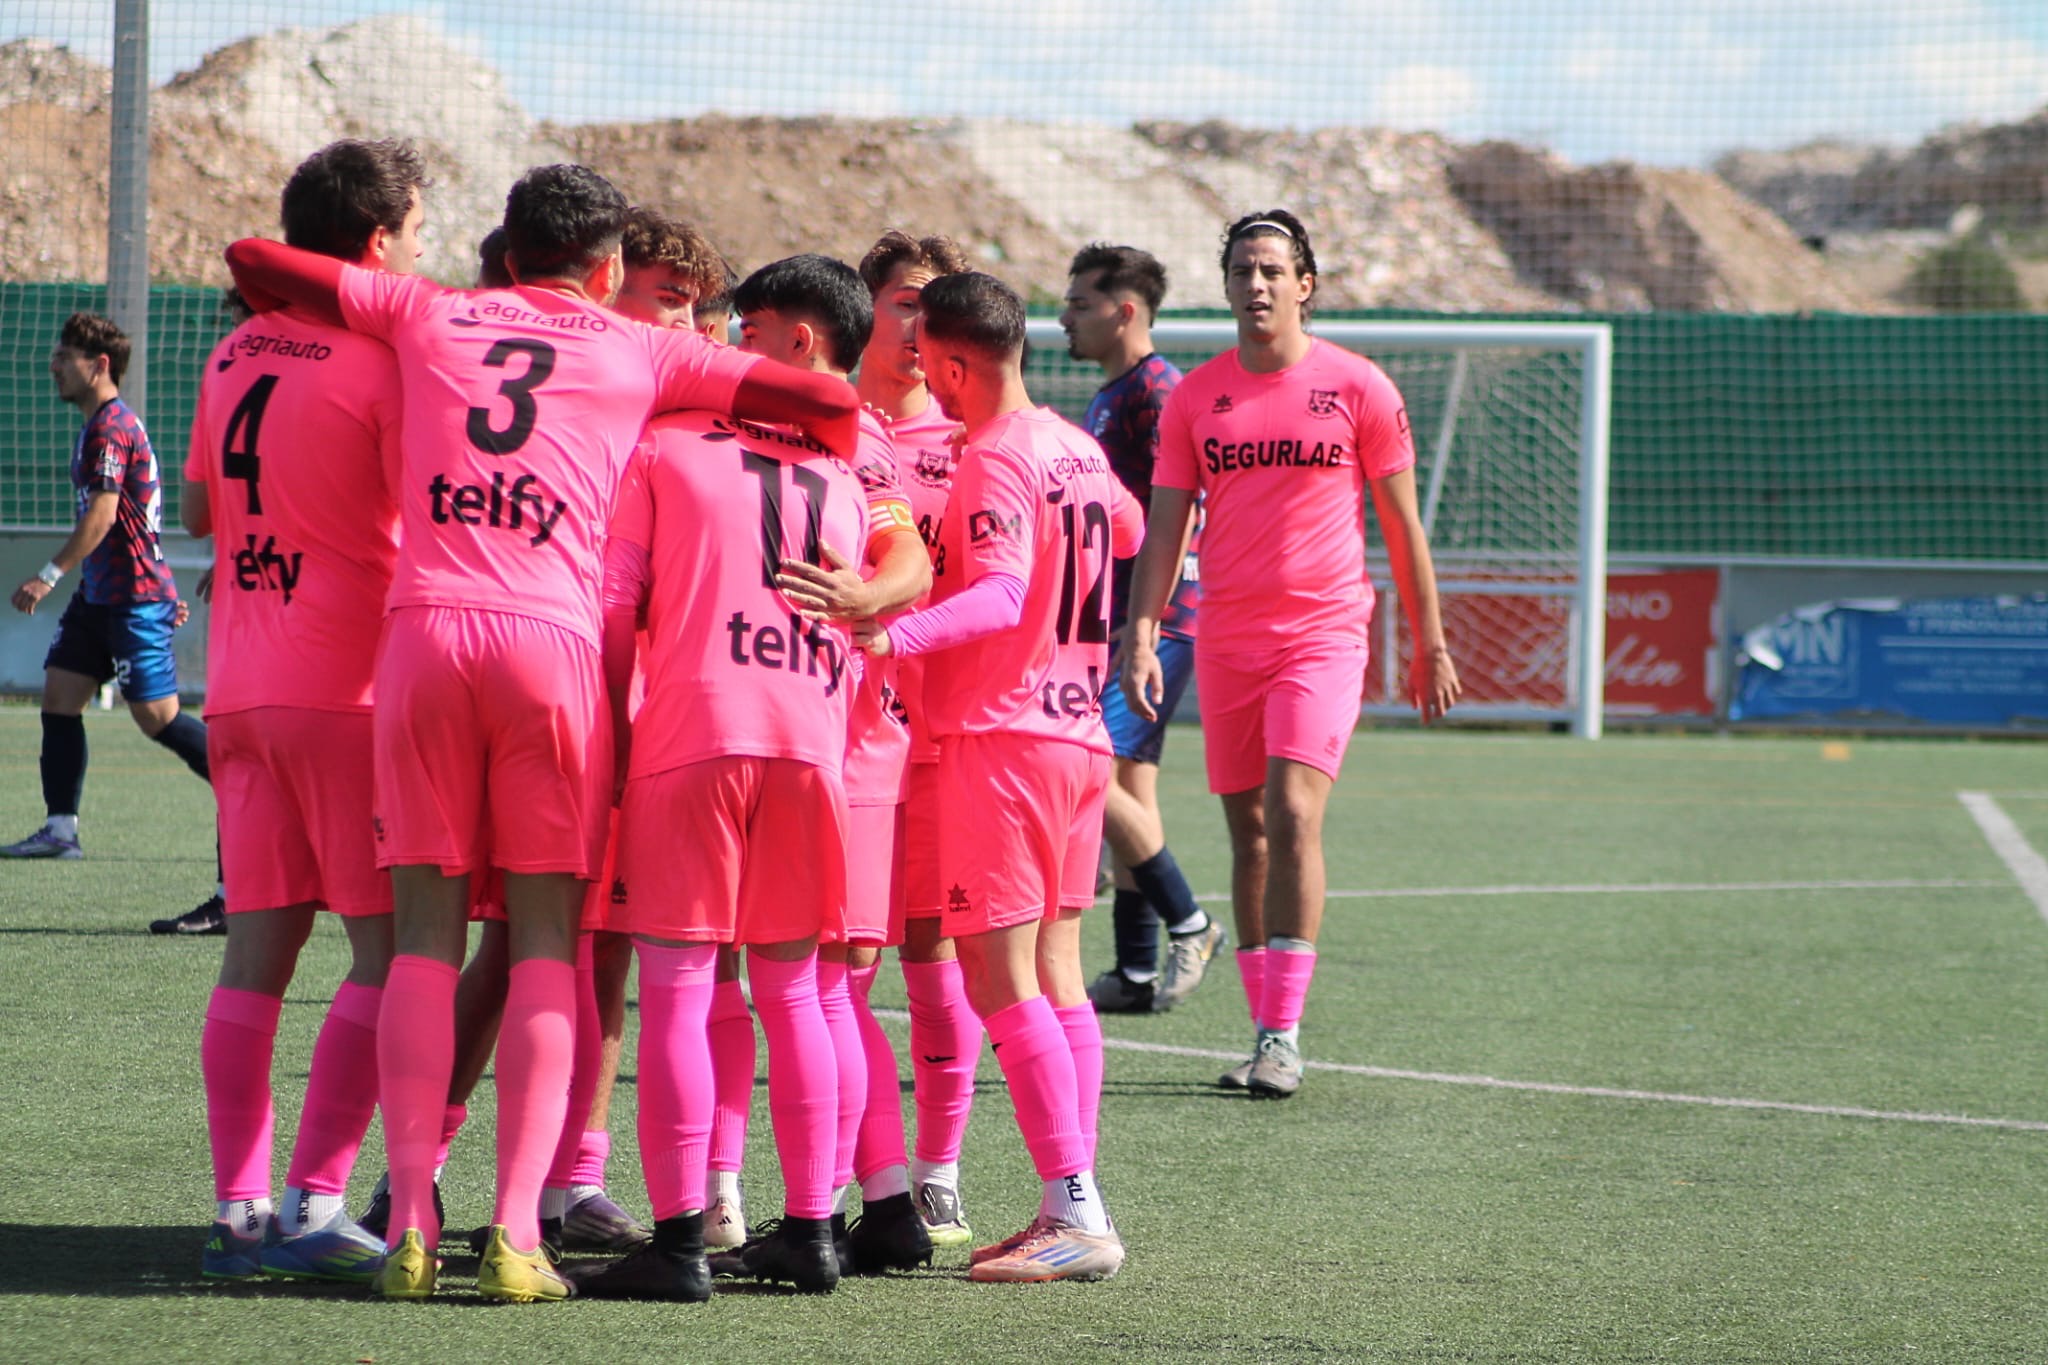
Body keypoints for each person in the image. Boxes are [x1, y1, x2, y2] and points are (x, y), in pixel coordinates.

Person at [223, 162, 861, 1304]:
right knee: (549, 945)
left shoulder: (429, 310)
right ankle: (519, 1231)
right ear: (608, 271)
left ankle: (409, 1223)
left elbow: (254, 261)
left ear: (508, 253)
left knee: (424, 942)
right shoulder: (645, 349)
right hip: (552, 650)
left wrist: (329, 305)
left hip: (422, 641)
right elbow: (825, 404)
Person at [569, 255, 888, 1301]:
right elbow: (887, 585)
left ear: (792, 341)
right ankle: (812, 1230)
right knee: (795, 993)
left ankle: (675, 1244)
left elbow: (614, 610)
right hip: (810, 742)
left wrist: (612, 739)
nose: (723, 345)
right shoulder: (844, 470)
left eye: (743, 331)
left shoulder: (665, 443)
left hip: (697, 732)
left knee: (675, 987)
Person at [1120, 210, 1462, 1100]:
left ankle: (1283, 1037)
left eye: (1273, 269)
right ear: (1227, 286)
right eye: (1243, 270)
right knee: (1250, 831)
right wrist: (1142, 631)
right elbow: (1165, 529)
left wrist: (1428, 641)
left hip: (1324, 634)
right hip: (1227, 639)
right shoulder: (1196, 398)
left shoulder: (1359, 386)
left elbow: (1403, 527)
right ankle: (1262, 1030)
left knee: (1294, 811)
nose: (1257, 284)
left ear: (1305, 285)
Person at [858, 271, 1140, 1283]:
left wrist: (889, 634)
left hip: (1003, 737)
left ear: (951, 363)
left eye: (928, 359)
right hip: (1078, 735)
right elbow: (1131, 530)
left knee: (997, 977)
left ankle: (1077, 1212)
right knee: (1057, 974)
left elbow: (1001, 595)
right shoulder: (1076, 445)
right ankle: (1069, 1200)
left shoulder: (994, 455)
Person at [185, 138, 420, 1284]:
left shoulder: (233, 349)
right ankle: (317, 1198)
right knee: (389, 954)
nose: (417, 256)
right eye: (413, 234)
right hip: (346, 690)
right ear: (376, 244)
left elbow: (198, 506)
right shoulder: (381, 356)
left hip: (238, 688)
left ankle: (238, 1211)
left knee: (255, 959)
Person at [741, 255, 932, 1276]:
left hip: (843, 742)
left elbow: (911, 563)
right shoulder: (844, 429)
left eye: (752, 327)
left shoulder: (857, 435)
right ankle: (886, 1201)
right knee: (831, 991)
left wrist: (867, 599)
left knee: (820, 989)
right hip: (836, 737)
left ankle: (816, 1213)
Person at [4, 311, 221, 934]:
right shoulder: (97, 425)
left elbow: (103, 516)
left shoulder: (111, 429)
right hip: (102, 597)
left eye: (65, 356)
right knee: (60, 695)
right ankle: (60, 829)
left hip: (131, 599)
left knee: (157, 718)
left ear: (99, 365)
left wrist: (49, 573)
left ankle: (242, 782)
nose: (53, 365)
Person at [851, 229, 982, 1248]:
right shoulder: (819, 425)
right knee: (839, 968)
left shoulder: (974, 443)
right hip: (841, 736)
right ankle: (874, 1181)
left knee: (935, 963)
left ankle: (938, 1175)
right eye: (902, 302)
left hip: (941, 741)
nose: (917, 325)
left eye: (933, 308)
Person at [1058, 242, 1221, 1014]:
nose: (1066, 318)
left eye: (1080, 304)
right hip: (1128, 621)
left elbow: (1180, 508)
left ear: (1125, 311)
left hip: (1157, 623)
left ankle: (1191, 921)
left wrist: (1144, 623)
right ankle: (1134, 969)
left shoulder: (1156, 391)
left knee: (1087, 763)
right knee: (1128, 785)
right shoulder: (1116, 391)